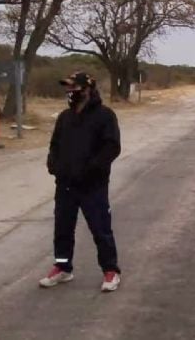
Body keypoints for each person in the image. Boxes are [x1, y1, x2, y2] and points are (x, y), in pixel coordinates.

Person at [40, 72, 123, 292]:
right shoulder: (65, 117)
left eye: (74, 87)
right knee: (63, 228)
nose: (70, 92)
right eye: (67, 88)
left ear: (87, 89)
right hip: (65, 184)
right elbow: (55, 144)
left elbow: (112, 147)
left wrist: (91, 169)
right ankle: (63, 267)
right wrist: (53, 163)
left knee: (100, 229)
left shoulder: (105, 116)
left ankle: (110, 270)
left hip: (92, 185)